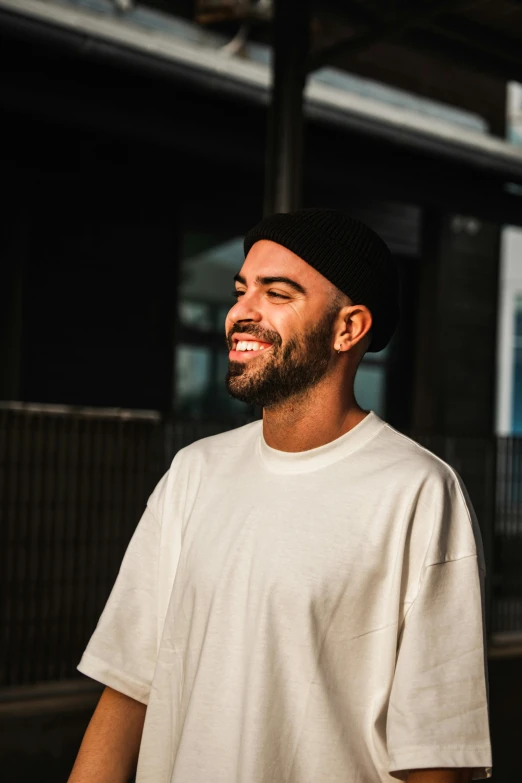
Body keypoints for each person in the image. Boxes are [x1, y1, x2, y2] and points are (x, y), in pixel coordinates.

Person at [69, 209, 492, 783]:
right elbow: (128, 689)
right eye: (241, 290)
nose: (242, 311)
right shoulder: (195, 473)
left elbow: (436, 752)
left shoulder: (417, 491)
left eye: (277, 293)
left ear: (349, 328)